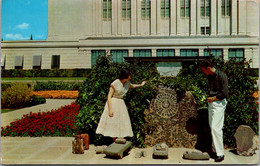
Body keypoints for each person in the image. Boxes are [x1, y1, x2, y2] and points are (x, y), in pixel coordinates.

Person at [96, 69, 146, 142]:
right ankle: (114, 142)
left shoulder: (127, 83)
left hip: (121, 104)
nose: (130, 77)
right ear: (126, 76)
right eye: (129, 75)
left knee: (122, 122)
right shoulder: (115, 83)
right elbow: (109, 96)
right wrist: (110, 109)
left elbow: (133, 86)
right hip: (114, 103)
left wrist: (141, 84)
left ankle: (120, 142)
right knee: (113, 122)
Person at [199, 59, 228, 162]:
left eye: (203, 70)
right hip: (212, 103)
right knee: (212, 127)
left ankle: (220, 154)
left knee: (216, 128)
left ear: (208, 68)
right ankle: (215, 151)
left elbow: (224, 93)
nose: (203, 72)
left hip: (219, 104)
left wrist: (213, 98)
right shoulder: (210, 76)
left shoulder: (222, 76)